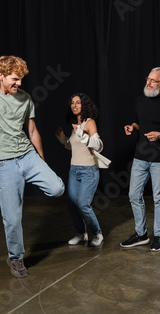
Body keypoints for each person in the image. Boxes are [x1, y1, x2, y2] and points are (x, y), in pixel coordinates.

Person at [0, 56, 65, 278]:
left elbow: (32, 131)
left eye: (21, 79)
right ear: (1, 76)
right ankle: (15, 258)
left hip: (27, 156)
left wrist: (41, 159)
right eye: (15, 79)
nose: (19, 84)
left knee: (57, 188)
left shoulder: (25, 98)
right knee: (12, 218)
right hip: (4, 163)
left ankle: (32, 174)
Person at [120, 67, 160, 252]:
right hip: (140, 157)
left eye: (153, 81)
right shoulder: (140, 100)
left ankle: (158, 236)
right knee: (134, 195)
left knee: (158, 198)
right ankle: (141, 234)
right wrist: (132, 127)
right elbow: (138, 122)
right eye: (147, 79)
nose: (148, 83)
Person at [55, 93, 108, 247]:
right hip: (74, 170)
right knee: (71, 205)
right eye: (72, 103)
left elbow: (98, 145)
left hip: (88, 171)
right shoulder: (75, 125)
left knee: (83, 204)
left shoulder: (89, 123)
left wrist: (80, 133)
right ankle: (82, 233)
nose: (74, 105)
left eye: (78, 102)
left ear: (84, 105)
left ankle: (98, 233)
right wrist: (61, 137)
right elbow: (73, 147)